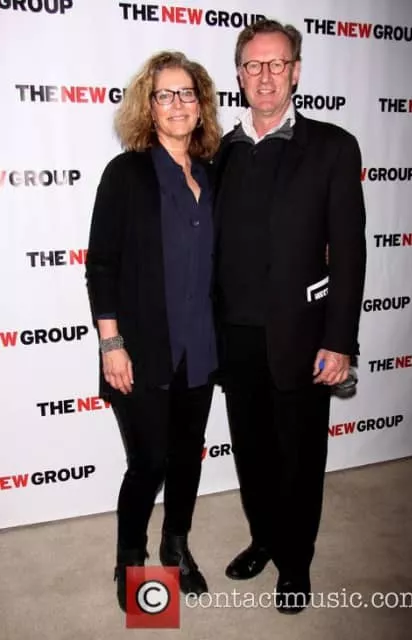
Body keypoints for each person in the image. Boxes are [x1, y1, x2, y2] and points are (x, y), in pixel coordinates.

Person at [213, 19, 366, 614]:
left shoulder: (332, 146)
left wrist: (340, 340)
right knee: (252, 454)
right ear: (239, 75)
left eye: (277, 64)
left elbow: (348, 252)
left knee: (300, 459)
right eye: (254, 65)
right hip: (235, 337)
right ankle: (264, 540)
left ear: (296, 71)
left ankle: (296, 561)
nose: (266, 76)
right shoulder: (219, 151)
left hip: (303, 339)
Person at [85, 51, 221, 612]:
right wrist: (111, 343)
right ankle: (131, 559)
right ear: (149, 105)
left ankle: (176, 547)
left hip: (201, 346)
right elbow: (102, 265)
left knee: (187, 457)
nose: (177, 104)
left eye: (187, 93)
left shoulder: (212, 173)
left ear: (201, 105)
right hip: (140, 349)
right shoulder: (126, 174)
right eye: (165, 95)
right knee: (149, 463)